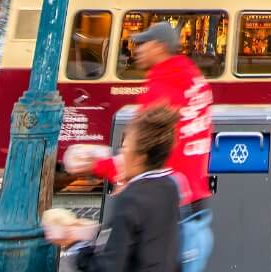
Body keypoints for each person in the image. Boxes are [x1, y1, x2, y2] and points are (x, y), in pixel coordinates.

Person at [65, 22, 213, 272]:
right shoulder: (196, 81)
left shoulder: (161, 88)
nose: (138, 49)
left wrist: (95, 164)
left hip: (167, 212)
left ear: (160, 47)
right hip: (195, 208)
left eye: (144, 44)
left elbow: (143, 151)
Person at [46, 106, 182, 272]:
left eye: (124, 149)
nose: (120, 155)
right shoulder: (170, 185)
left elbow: (110, 266)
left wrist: (75, 245)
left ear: (140, 158)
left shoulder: (131, 198)